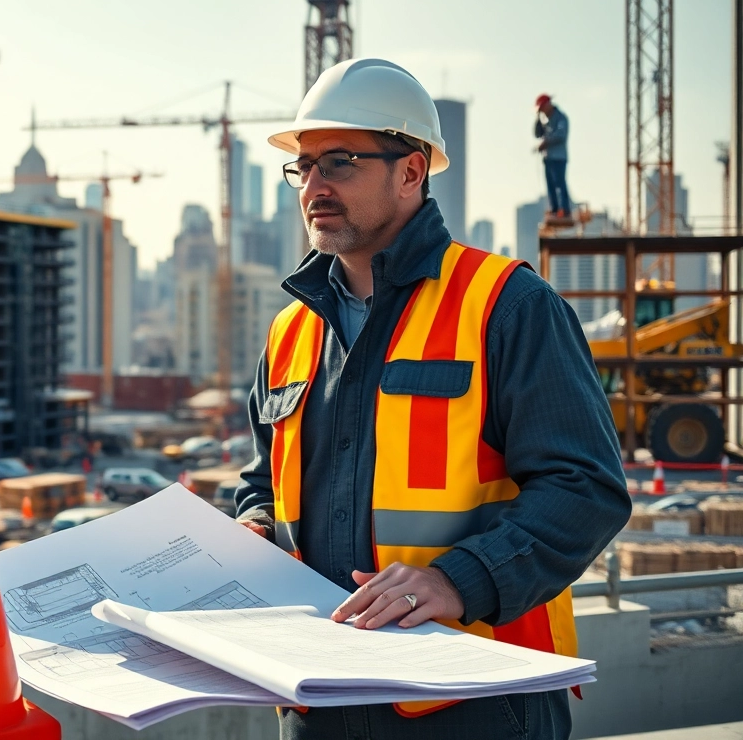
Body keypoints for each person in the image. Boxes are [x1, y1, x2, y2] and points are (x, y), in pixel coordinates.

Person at [236, 58, 630, 740]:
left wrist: (458, 579)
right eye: (305, 167)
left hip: (475, 702)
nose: (315, 187)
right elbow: (263, 481)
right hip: (316, 701)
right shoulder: (291, 330)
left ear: (411, 171)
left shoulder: (507, 306)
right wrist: (250, 530)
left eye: (340, 162)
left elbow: (587, 488)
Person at [535, 93, 571, 218]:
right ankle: (555, 208)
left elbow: (561, 135)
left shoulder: (561, 118)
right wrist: (537, 117)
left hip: (559, 157)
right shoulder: (547, 121)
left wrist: (547, 142)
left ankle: (564, 208)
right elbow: (537, 133)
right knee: (550, 185)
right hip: (548, 158)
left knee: (559, 183)